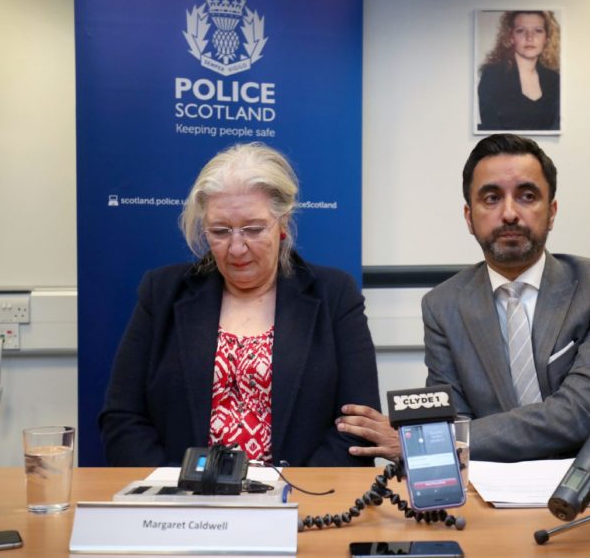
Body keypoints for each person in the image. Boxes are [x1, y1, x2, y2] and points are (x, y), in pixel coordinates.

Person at [338, 134, 590, 463]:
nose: (510, 213)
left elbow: (582, 412)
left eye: (527, 196)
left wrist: (436, 442)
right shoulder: (443, 305)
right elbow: (451, 414)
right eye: (491, 198)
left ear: (552, 212)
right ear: (469, 217)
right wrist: (442, 438)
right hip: (489, 485)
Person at [99, 142, 380, 467]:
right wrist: (176, 494)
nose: (236, 248)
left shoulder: (334, 295)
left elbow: (358, 425)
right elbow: (122, 418)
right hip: (182, 509)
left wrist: (293, 498)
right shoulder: (161, 293)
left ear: (283, 223)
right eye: (219, 231)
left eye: (253, 229)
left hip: (300, 506)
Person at [477, 11, 560, 131]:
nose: (530, 37)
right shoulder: (493, 76)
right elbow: (492, 130)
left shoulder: (554, 79)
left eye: (538, 30)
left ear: (546, 38)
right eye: (521, 30)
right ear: (511, 37)